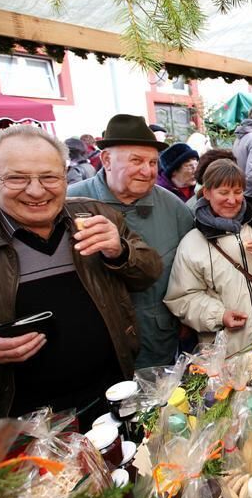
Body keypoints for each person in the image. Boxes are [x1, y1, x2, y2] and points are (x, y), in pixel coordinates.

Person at [0, 125, 162, 428]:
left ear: (65, 177)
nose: (36, 191)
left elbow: (149, 272)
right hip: (16, 419)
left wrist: (120, 251)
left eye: (49, 177)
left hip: (108, 396)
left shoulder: (94, 214)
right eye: (17, 178)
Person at [69, 114, 194, 368]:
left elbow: (192, 271)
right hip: (95, 349)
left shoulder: (174, 209)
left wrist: (187, 318)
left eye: (153, 162)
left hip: (156, 344)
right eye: (136, 160)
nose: (147, 171)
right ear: (106, 160)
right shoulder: (70, 204)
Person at [165, 159, 252, 353]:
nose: (232, 200)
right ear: (207, 193)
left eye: (238, 192)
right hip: (229, 350)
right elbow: (182, 298)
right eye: (223, 193)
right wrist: (219, 315)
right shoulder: (193, 242)